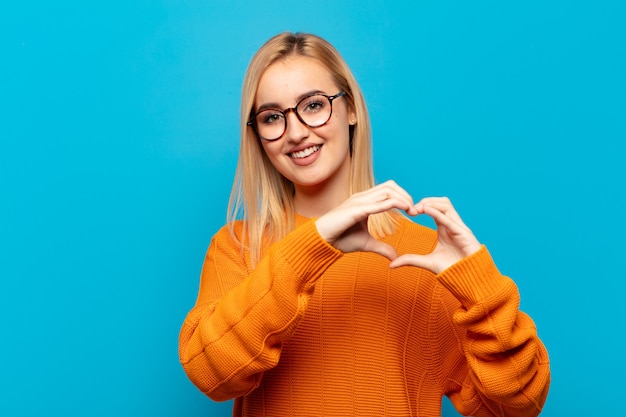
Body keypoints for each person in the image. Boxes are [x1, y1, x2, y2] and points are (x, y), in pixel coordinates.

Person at [178, 32, 550, 417]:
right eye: (272, 117)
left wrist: (481, 288)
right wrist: (312, 244)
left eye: (314, 105)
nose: (297, 131)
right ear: (257, 135)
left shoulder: (426, 256)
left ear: (351, 109)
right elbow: (210, 373)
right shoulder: (238, 247)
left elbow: (518, 405)